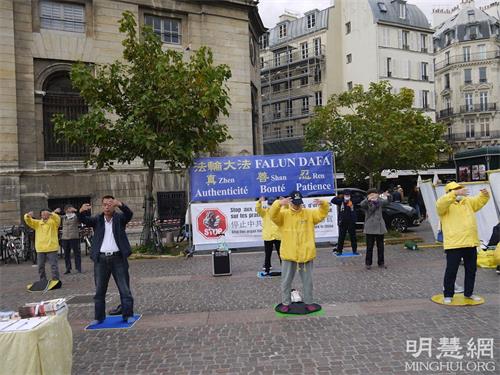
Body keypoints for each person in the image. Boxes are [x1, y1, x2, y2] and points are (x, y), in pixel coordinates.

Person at [269, 191, 329, 313]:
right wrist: (278, 203)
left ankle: (309, 302)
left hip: (306, 253)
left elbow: (321, 215)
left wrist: (323, 204)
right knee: (286, 281)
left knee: (308, 281)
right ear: (290, 202)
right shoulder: (284, 215)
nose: (297, 206)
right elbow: (273, 216)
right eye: (295, 203)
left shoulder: (309, 214)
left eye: (299, 203)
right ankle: (286, 302)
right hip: (289, 253)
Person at [78, 196, 135, 324]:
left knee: (124, 288)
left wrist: (121, 204)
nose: (107, 206)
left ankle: (128, 314)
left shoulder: (120, 219)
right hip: (101, 259)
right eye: (104, 204)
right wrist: (81, 211)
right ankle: (99, 317)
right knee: (99, 290)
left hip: (118, 258)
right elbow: (84, 220)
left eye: (110, 204)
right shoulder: (97, 219)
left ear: (114, 205)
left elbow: (129, 214)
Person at [436, 182, 489, 304]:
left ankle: (469, 293)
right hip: (454, 244)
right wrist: (454, 194)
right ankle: (448, 294)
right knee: (451, 270)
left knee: (471, 270)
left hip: (470, 242)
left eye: (460, 189)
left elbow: (478, 202)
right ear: (449, 192)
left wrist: (484, 195)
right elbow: (440, 204)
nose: (459, 191)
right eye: (455, 189)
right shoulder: (444, 205)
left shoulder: (467, 202)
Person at [24, 208, 62, 283]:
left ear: (49, 214)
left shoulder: (54, 223)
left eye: (46, 213)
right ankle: (42, 280)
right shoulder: (37, 223)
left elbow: (58, 219)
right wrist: (27, 216)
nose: (44, 214)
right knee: (40, 266)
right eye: (42, 213)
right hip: (40, 248)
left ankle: (56, 280)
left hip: (52, 247)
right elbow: (29, 221)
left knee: (54, 266)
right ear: (40, 215)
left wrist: (52, 214)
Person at [360, 189, 390, 269]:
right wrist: (368, 199)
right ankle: (368, 263)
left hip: (380, 227)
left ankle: (381, 263)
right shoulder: (367, 202)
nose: (373, 196)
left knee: (380, 246)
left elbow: (386, 202)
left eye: (375, 194)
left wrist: (386, 196)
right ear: (368, 195)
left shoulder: (379, 201)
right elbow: (362, 205)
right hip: (370, 227)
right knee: (369, 246)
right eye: (371, 194)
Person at [256, 196, 281, 274]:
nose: (271, 206)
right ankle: (267, 268)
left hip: (278, 235)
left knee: (281, 253)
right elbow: (258, 210)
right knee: (267, 254)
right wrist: (259, 202)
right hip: (268, 236)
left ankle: (285, 267)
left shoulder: (280, 211)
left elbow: (287, 209)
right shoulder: (265, 212)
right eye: (270, 204)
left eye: (272, 204)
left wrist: (283, 202)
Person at [331, 190, 357, 255]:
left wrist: (352, 198)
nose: (347, 197)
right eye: (346, 196)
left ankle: (354, 250)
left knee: (353, 236)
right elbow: (332, 200)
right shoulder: (341, 201)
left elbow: (359, 199)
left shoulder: (352, 201)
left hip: (351, 222)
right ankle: (339, 250)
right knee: (341, 237)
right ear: (344, 196)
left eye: (348, 196)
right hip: (343, 222)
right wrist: (338, 196)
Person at [61, 204, 82, 274]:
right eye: (67, 209)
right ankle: (68, 268)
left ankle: (78, 268)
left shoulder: (76, 216)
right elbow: (54, 217)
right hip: (65, 238)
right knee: (66, 254)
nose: (68, 210)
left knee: (77, 253)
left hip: (74, 237)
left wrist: (76, 210)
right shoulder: (63, 217)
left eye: (70, 209)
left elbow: (81, 216)